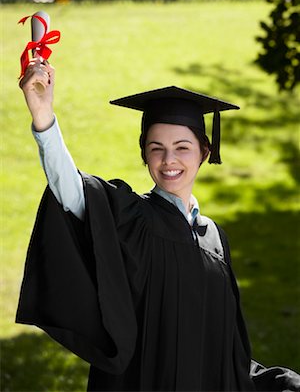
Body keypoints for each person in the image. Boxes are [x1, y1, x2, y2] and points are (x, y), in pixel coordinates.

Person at [16, 59, 300, 392]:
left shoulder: (215, 240)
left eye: (182, 148)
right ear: (144, 155)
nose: (169, 161)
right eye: (156, 149)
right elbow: (73, 191)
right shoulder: (133, 219)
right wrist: (43, 117)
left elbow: (226, 348)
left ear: (204, 153)